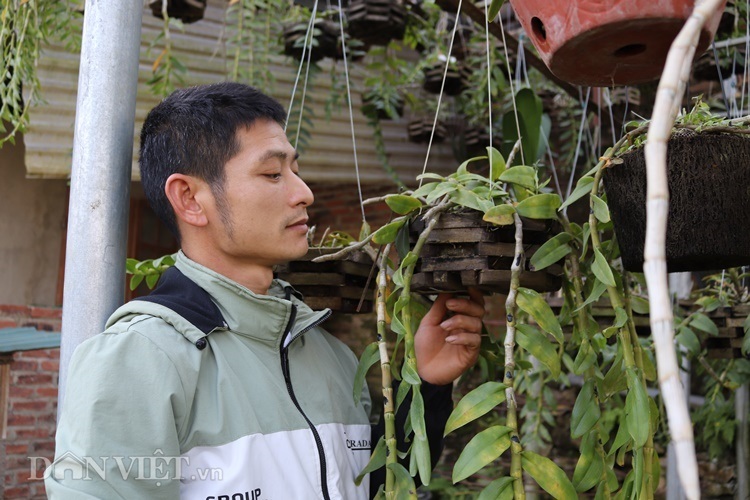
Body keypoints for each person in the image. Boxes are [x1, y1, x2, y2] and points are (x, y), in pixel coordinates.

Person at [46, 82, 485, 499]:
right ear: (190, 199)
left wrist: (425, 385)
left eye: (295, 170)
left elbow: (370, 487)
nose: (305, 193)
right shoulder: (141, 359)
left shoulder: (328, 354)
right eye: (273, 173)